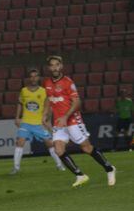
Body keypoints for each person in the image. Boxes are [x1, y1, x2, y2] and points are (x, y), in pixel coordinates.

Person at [42, 56, 116, 187]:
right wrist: (45, 114)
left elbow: (77, 102)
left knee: (86, 148)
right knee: (58, 149)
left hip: (72, 120)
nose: (54, 67)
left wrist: (65, 117)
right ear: (49, 68)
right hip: (59, 122)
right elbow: (48, 98)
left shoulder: (67, 82)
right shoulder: (47, 82)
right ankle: (80, 175)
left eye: (57, 65)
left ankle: (109, 168)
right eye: (52, 65)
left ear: (61, 66)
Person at [10, 69, 65, 174]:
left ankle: (59, 165)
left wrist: (47, 119)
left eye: (36, 76)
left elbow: (48, 107)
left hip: (38, 123)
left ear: (38, 78)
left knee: (49, 143)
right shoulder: (24, 90)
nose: (34, 78)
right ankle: (16, 168)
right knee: (19, 142)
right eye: (32, 76)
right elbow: (20, 104)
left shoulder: (44, 91)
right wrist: (17, 117)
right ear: (29, 78)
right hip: (26, 122)